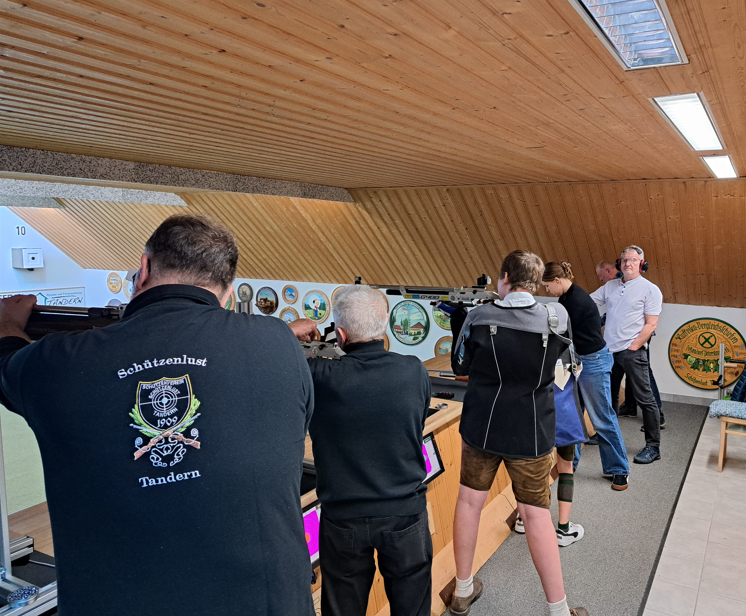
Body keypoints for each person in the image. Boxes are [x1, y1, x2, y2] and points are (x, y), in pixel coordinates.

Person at [0, 214, 321, 616]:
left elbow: (7, 365)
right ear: (227, 291)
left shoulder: (57, 362)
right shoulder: (277, 340)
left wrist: (8, 324)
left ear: (145, 267)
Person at [449, 250, 588, 616]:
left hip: (482, 426)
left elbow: (460, 366)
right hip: (532, 428)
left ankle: (462, 590)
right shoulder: (557, 317)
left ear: (506, 278)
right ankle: (559, 610)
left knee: (469, 503)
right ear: (536, 282)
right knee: (537, 514)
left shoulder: (478, 316)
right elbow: (566, 365)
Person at [307, 284, 433, 616]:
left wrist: (291, 335)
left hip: (342, 519)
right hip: (405, 512)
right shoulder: (413, 370)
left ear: (341, 334)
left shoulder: (319, 376)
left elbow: (263, 355)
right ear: (385, 325)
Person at [542, 262, 630, 491]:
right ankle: (570, 464)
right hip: (578, 359)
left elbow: (557, 335)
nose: (547, 290)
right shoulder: (566, 297)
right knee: (573, 415)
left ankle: (619, 470)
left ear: (557, 280)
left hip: (593, 362)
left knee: (602, 418)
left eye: (548, 286)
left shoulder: (575, 301)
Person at [591, 245, 663, 465]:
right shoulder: (610, 286)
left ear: (642, 264)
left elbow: (651, 324)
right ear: (619, 263)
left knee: (645, 399)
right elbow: (589, 303)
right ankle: (607, 435)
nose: (627, 263)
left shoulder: (650, 289)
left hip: (632, 352)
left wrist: (634, 346)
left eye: (633, 260)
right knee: (609, 397)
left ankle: (653, 447)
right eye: (624, 260)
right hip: (609, 352)